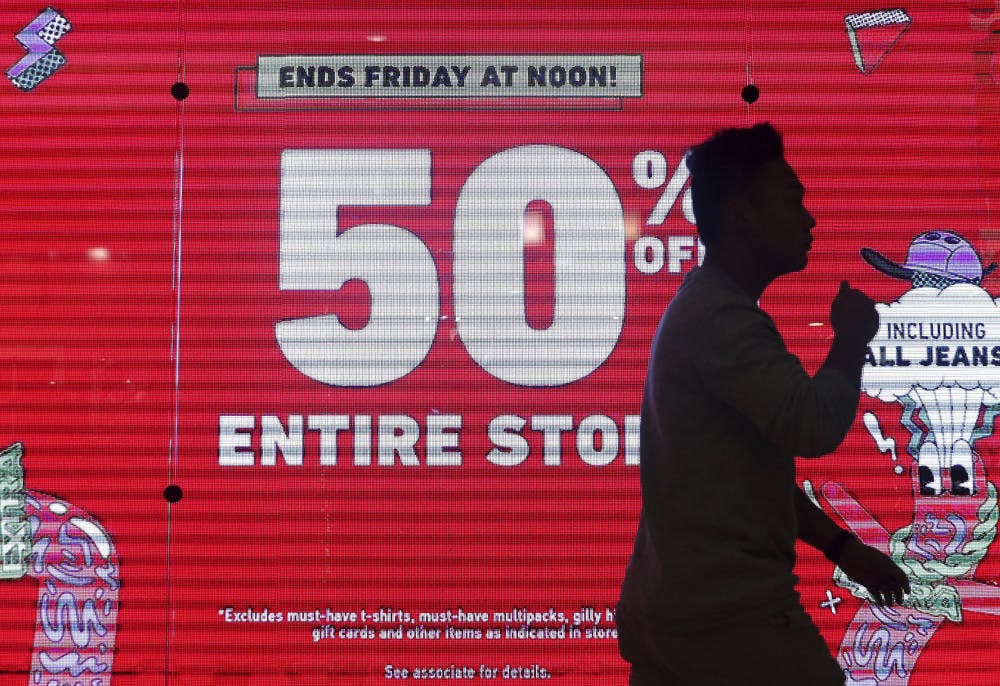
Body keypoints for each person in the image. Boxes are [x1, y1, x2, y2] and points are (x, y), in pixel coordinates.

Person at [615, 123, 910, 686]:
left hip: (677, 613)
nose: (809, 219)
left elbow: (750, 481)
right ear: (740, 215)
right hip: (728, 619)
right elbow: (813, 423)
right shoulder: (722, 319)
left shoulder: (706, 308)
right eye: (792, 200)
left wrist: (843, 548)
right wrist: (851, 338)